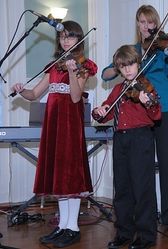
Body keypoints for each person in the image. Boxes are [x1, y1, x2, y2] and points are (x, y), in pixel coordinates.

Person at [11, 21, 97, 248]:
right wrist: (21, 91)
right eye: (63, 37)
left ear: (79, 40)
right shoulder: (53, 66)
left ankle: (73, 227)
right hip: (53, 125)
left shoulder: (83, 65)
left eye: (70, 37)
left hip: (70, 124)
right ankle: (63, 226)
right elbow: (34, 94)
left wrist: (71, 71)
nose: (66, 41)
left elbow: (76, 97)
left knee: (71, 173)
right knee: (59, 174)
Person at [101, 5, 168, 228]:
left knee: (167, 163)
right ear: (137, 23)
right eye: (142, 22)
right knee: (140, 168)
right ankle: (144, 215)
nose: (146, 27)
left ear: (156, 24)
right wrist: (121, 66)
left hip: (166, 108)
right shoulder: (133, 51)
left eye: (151, 22)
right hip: (140, 114)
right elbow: (105, 74)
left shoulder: (163, 47)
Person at [92, 45, 161, 249]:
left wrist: (147, 102)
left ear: (138, 64)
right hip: (120, 139)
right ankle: (124, 232)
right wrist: (99, 110)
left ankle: (146, 237)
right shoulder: (118, 89)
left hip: (141, 139)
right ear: (119, 69)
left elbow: (157, 115)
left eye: (131, 64)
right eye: (123, 67)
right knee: (122, 189)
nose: (128, 70)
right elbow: (105, 113)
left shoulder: (145, 87)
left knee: (142, 189)